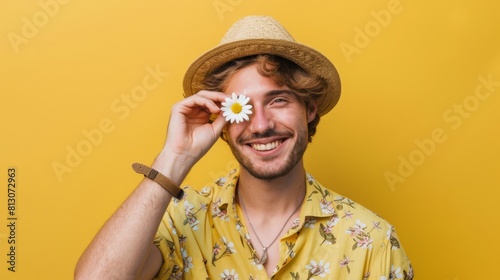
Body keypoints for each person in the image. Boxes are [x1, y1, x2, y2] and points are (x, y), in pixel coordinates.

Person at [75, 15, 413, 280]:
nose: (261, 124)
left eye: (278, 100)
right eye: (241, 107)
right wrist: (174, 159)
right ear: (221, 119)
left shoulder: (372, 241)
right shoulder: (181, 222)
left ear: (309, 109)